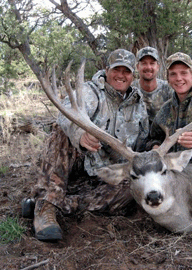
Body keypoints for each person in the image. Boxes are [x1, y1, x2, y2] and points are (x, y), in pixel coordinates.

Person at [27, 49, 149, 241]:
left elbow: (142, 142)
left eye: (126, 71)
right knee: (62, 133)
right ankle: (45, 208)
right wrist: (80, 134)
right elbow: (66, 113)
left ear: (133, 75)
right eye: (116, 69)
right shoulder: (90, 91)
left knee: (133, 189)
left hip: (105, 176)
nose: (121, 75)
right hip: (77, 165)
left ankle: (57, 202)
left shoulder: (139, 104)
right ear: (107, 70)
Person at [132, 46, 173, 124]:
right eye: (144, 63)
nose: (148, 67)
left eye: (152, 63)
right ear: (137, 67)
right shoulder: (130, 90)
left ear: (158, 67)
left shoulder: (168, 89)